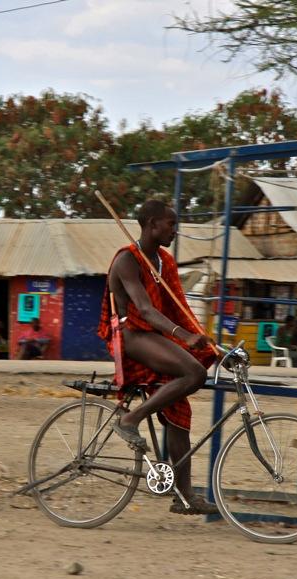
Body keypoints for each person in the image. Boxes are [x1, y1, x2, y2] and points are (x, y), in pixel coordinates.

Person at [97, 198, 218, 515]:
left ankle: (185, 496)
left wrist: (206, 343)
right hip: (130, 336)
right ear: (152, 224)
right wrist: (183, 336)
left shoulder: (165, 261)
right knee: (194, 374)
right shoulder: (127, 260)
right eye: (171, 224)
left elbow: (179, 307)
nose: (175, 230)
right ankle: (130, 419)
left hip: (153, 337)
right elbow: (147, 311)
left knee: (178, 407)